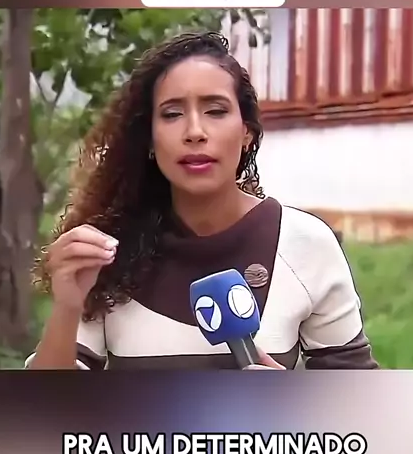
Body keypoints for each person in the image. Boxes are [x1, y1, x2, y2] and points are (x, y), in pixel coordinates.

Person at [28, 31, 378, 371]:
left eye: (215, 111)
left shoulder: (306, 244)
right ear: (149, 139)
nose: (195, 132)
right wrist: (67, 307)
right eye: (172, 114)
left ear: (246, 132)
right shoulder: (106, 252)